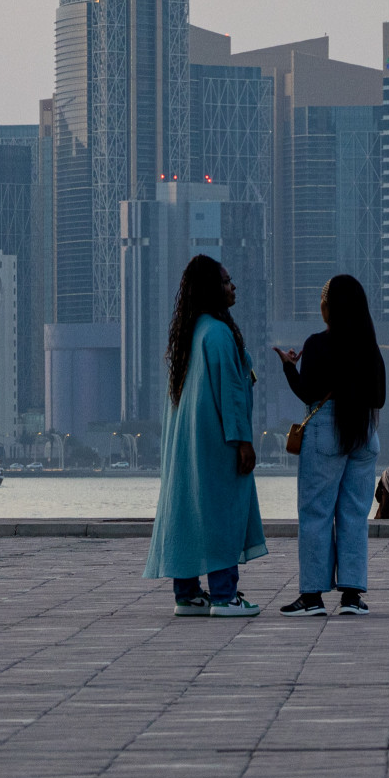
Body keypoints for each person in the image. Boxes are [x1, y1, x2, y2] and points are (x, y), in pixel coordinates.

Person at [144, 254, 267, 618]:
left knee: (188, 512)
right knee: (221, 513)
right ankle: (225, 596)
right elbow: (231, 394)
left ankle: (187, 594)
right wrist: (243, 442)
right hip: (216, 443)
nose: (233, 287)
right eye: (226, 282)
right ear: (212, 289)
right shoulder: (218, 333)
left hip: (185, 445)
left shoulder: (189, 333)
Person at [274, 274, 387, 617]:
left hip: (326, 431)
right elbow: (379, 399)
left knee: (317, 514)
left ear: (330, 307)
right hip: (363, 432)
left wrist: (289, 369)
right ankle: (352, 596)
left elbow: (308, 393)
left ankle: (312, 598)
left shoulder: (317, 344)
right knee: (354, 515)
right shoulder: (369, 347)